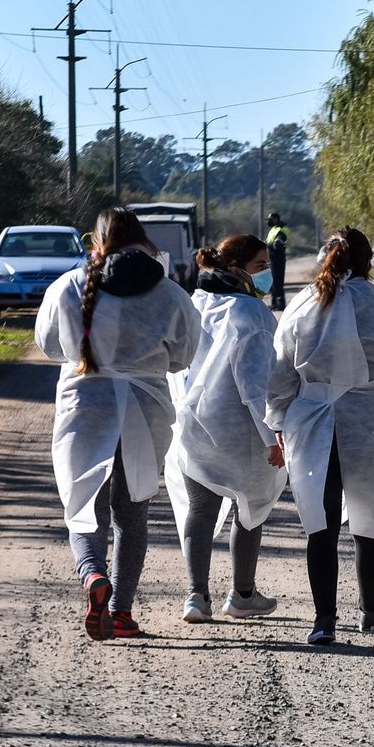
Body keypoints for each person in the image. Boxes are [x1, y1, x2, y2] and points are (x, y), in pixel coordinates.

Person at [266, 227, 374, 646]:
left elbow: (281, 374)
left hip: (312, 423)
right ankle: (368, 604)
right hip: (370, 422)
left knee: (320, 525)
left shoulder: (303, 306)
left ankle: (324, 619)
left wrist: (276, 424)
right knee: (368, 519)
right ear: (368, 260)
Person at [36, 207, 201, 641]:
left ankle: (92, 576)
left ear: (96, 241)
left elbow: (50, 346)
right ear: (140, 240)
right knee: (132, 513)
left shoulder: (68, 286)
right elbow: (183, 357)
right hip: (146, 410)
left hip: (84, 405)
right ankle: (122, 612)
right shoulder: (169, 293)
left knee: (84, 505)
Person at [165, 234, 285, 624]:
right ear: (237, 269)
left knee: (200, 509)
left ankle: (195, 597)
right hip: (241, 430)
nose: (267, 273)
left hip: (194, 426)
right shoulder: (251, 313)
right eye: (261, 266)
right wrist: (274, 437)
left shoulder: (193, 303)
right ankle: (243, 593)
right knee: (248, 509)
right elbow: (254, 386)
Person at [265, 213, 291, 311]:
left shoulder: (282, 229)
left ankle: (281, 304)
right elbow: (268, 242)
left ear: (276, 219)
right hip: (271, 259)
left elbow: (278, 243)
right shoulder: (273, 229)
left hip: (278, 259)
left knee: (278, 282)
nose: (269, 221)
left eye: (270, 219)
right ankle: (274, 303)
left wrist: (275, 244)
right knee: (272, 283)